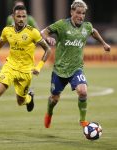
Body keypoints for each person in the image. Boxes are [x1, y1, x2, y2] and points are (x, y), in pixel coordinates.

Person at [0, 5, 51, 136]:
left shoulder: (33, 32)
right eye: (18, 16)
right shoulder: (7, 30)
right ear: (13, 17)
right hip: (10, 67)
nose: (21, 19)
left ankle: (28, 99)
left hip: (26, 71)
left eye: (24, 16)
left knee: (20, 101)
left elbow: (47, 49)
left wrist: (39, 67)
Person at [41, 0, 111, 128]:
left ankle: (83, 120)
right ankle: (49, 113)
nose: (81, 16)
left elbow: (93, 31)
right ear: (72, 12)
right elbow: (43, 31)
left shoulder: (86, 27)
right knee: (54, 99)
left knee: (83, 92)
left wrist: (104, 43)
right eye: (78, 12)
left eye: (83, 13)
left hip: (76, 68)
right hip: (60, 69)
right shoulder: (62, 25)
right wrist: (48, 38)